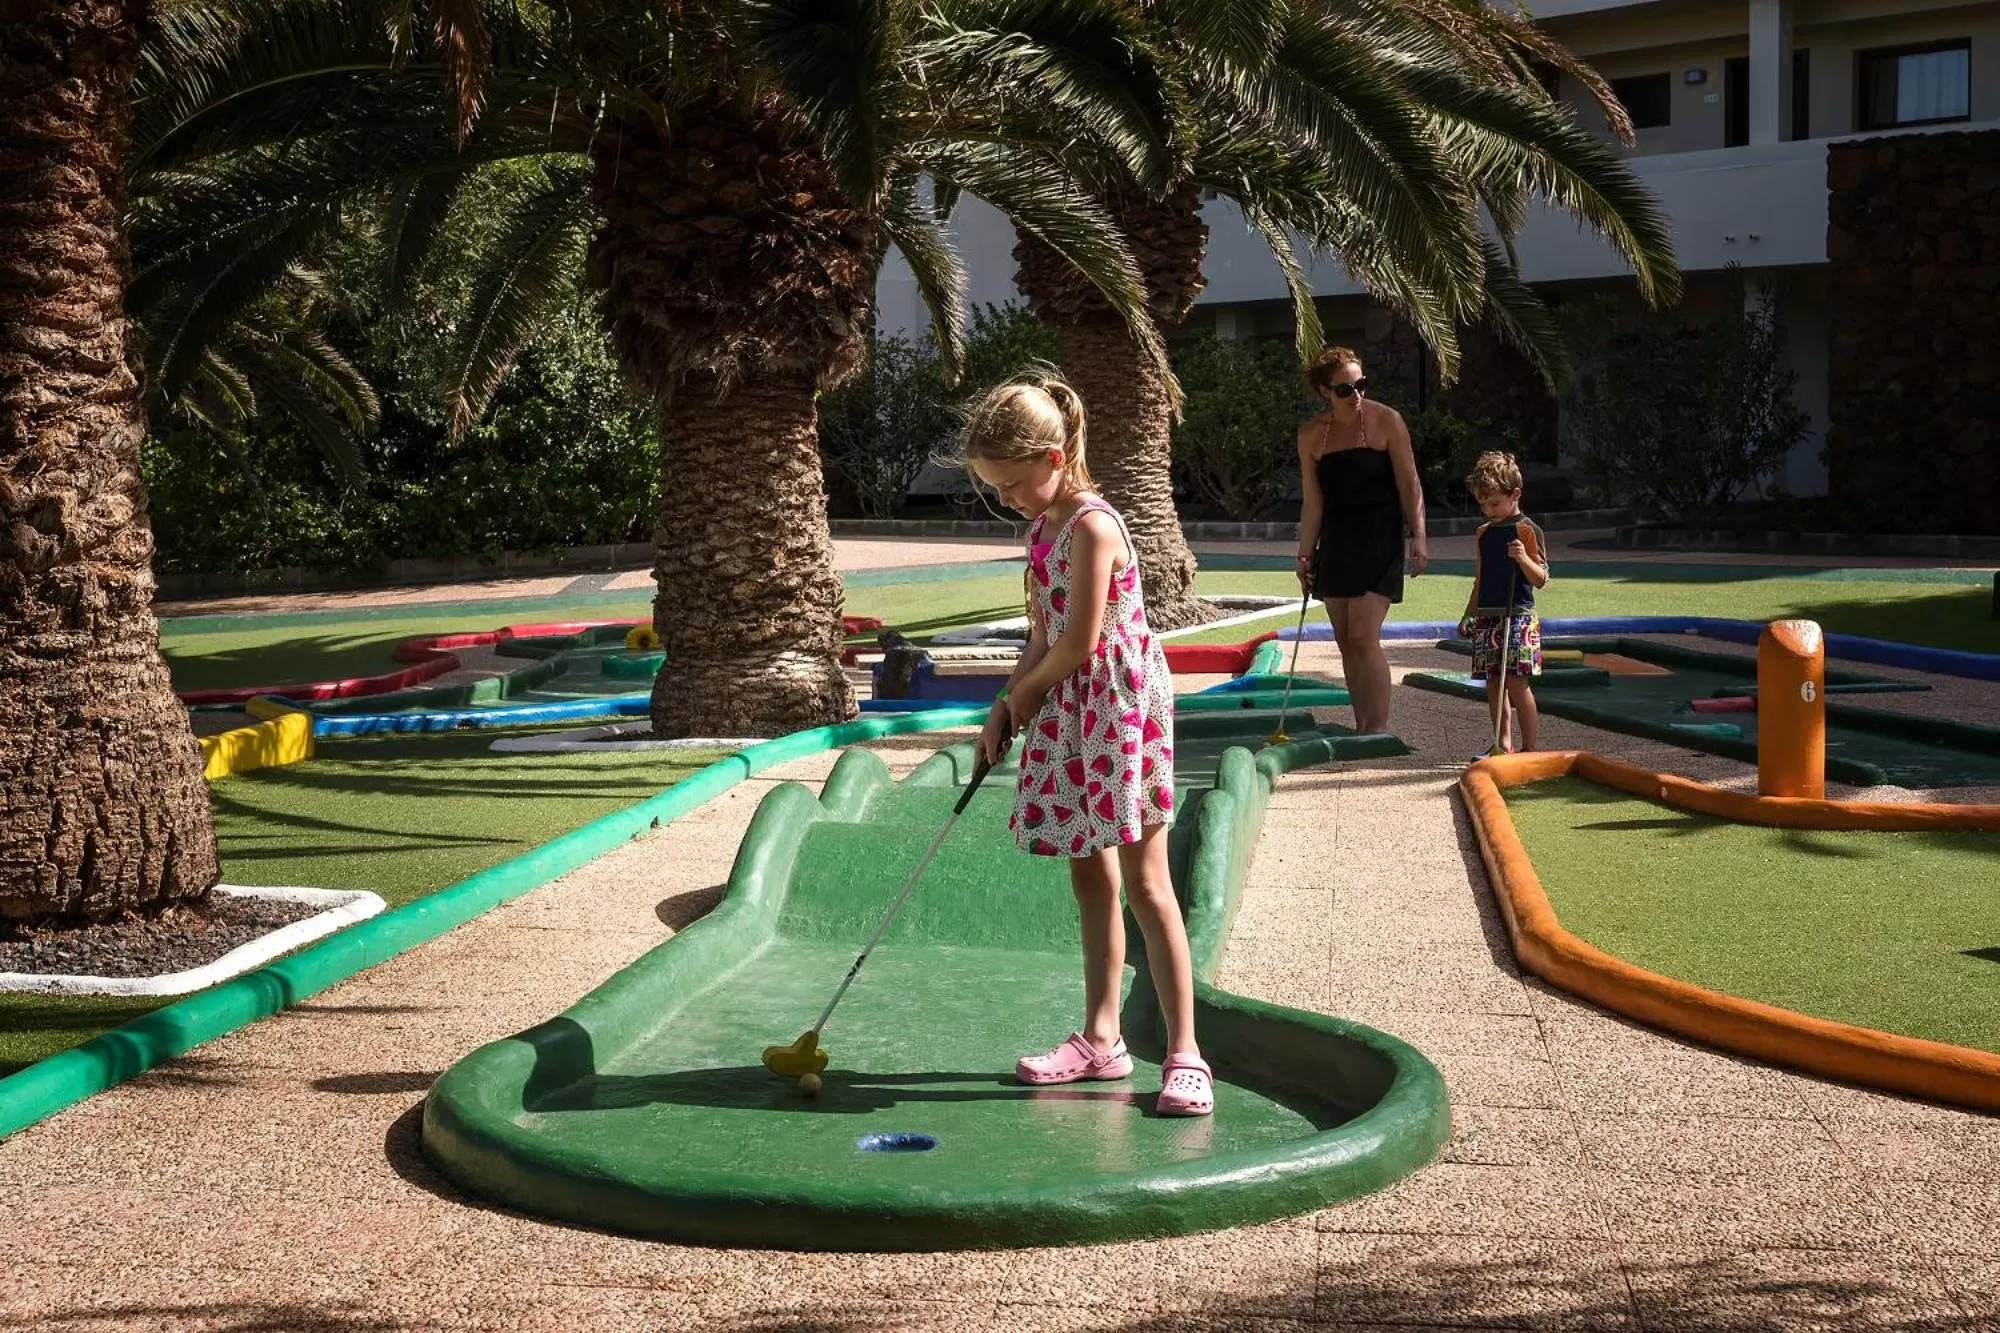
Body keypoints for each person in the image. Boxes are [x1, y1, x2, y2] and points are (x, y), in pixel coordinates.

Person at [954, 373, 1211, 1118]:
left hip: (1119, 710)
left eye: (1011, 483)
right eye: (995, 488)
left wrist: (1026, 695)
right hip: (1071, 711)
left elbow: (1081, 640)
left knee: (1147, 883)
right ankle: (1103, 1039)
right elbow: (1040, 635)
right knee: (1089, 875)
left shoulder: (1095, 526)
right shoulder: (1039, 532)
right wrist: (1002, 704)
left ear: (1055, 456)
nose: (1008, 498)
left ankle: (1186, 1052)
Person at [1294, 347, 1428, 734]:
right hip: (1336, 539)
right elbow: (1312, 501)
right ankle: (1362, 725)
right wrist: (1304, 554)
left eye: (1361, 385)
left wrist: (1419, 535)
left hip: (1379, 534)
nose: (1356, 395)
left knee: (1363, 636)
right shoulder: (1311, 437)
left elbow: (1410, 483)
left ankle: (1379, 728)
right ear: (1324, 392)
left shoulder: (1387, 421)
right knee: (1344, 640)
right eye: (1345, 390)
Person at [1459, 451, 1550, 753]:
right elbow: (1481, 578)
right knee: (1494, 684)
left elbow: (1541, 579)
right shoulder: (1483, 533)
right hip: (1488, 616)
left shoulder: (1527, 530)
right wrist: (1468, 614)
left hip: (1519, 615)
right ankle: (1502, 745)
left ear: (1515, 495)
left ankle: (1530, 749)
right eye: (1483, 504)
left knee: (1516, 684)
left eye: (1494, 503)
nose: (1489, 510)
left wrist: (1523, 557)